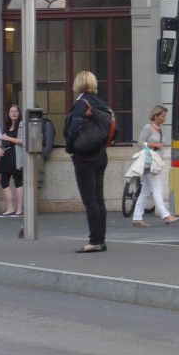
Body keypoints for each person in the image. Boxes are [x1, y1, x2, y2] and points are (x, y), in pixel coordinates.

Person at [65, 71, 111, 253]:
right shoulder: (100, 103)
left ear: (78, 84)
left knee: (90, 200)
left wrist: (69, 147)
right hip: (100, 154)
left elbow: (74, 128)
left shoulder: (81, 103)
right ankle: (101, 239)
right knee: (99, 199)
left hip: (84, 157)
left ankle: (94, 241)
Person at [132, 105, 178, 227]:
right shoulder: (148, 127)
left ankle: (137, 217)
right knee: (157, 189)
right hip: (149, 163)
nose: (164, 118)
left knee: (146, 191)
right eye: (163, 116)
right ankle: (165, 215)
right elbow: (140, 143)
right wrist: (155, 144)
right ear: (155, 116)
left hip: (155, 164)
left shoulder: (160, 129)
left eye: (165, 116)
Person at [0, 105, 23, 217]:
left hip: (16, 157)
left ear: (19, 113)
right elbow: (0, 141)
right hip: (6, 157)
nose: (13, 113)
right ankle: (10, 208)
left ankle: (19, 209)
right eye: (11, 111)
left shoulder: (21, 125)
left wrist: (8, 138)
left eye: (15, 111)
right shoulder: (7, 126)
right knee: (4, 182)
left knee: (18, 182)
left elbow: (23, 140)